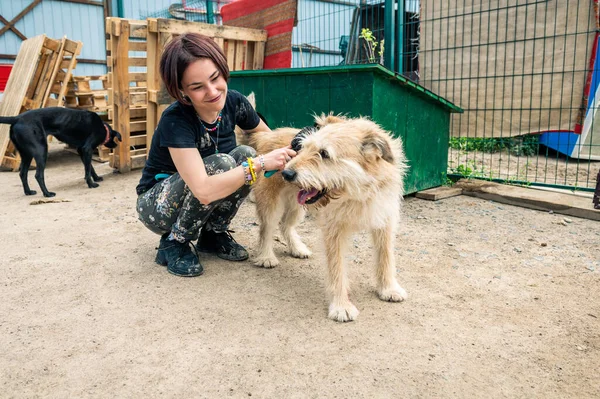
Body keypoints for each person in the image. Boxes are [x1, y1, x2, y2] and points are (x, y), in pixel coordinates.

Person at [136, 32, 295, 277]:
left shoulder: (235, 103)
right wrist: (261, 163)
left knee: (245, 154)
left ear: (222, 69)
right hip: (157, 206)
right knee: (226, 163)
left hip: (202, 194)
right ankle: (174, 242)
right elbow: (204, 190)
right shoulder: (176, 119)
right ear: (182, 90)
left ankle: (213, 234)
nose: (212, 91)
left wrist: (296, 152)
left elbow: (269, 143)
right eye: (197, 87)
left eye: (215, 78)